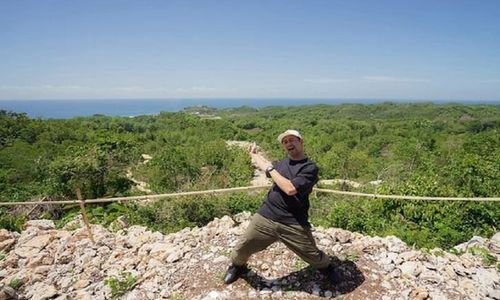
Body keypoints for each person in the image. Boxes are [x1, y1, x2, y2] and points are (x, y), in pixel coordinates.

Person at [223, 129, 340, 284]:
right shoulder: (280, 164)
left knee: (312, 254)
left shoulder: (309, 168)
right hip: (266, 215)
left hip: (293, 221)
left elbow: (290, 189)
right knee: (241, 248)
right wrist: (255, 155)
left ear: (301, 142)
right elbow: (266, 165)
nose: (288, 143)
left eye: (292, 140)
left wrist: (271, 170)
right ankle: (237, 266)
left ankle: (327, 267)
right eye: (285, 142)